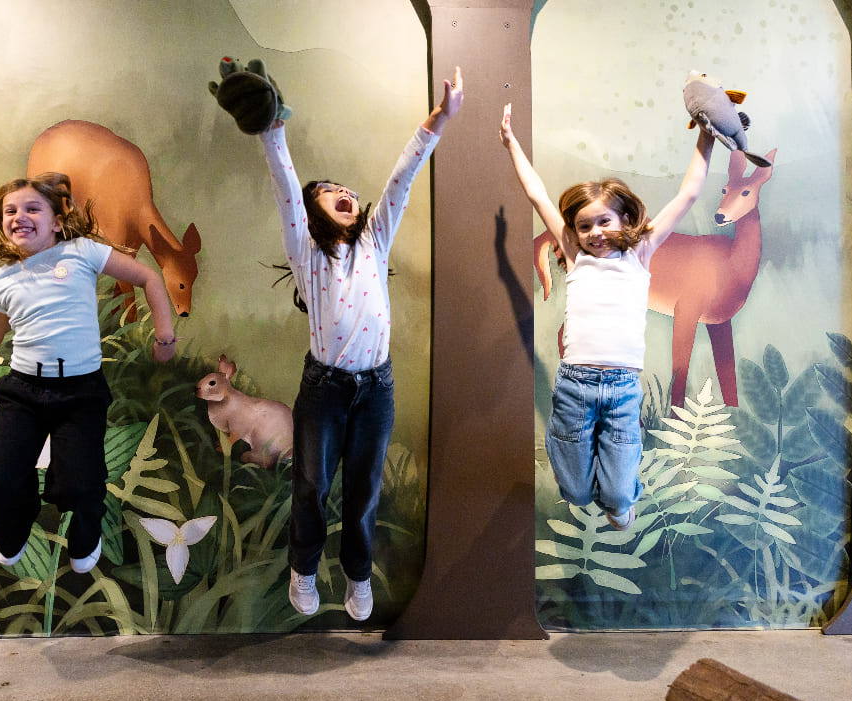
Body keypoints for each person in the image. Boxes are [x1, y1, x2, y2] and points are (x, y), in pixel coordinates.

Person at [251, 67, 463, 620]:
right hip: (324, 389)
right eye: (328, 193)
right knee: (312, 485)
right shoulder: (309, 255)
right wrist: (273, 131)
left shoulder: (374, 241)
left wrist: (436, 123)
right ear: (313, 213)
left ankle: (357, 574)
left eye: (348, 191)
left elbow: (400, 182)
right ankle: (302, 568)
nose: (344, 193)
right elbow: (285, 189)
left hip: (377, 389)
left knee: (365, 490)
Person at [0, 172, 176, 573]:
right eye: (10, 211)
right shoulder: (1, 281)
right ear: (2, 225)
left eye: (31, 208)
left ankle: (86, 534)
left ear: (57, 221)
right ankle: (14, 529)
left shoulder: (82, 253)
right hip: (24, 391)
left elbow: (146, 276)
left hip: (80, 393)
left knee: (79, 484)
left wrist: (164, 336)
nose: (19, 216)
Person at [499, 102, 714, 530]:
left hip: (621, 388)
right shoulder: (576, 257)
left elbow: (688, 193)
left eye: (604, 221)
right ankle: (593, 485)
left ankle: (620, 496)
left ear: (624, 220)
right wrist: (510, 142)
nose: (595, 232)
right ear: (573, 234)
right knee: (576, 493)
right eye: (584, 226)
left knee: (616, 496)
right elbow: (537, 194)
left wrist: (707, 135)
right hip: (575, 384)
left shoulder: (641, 253)